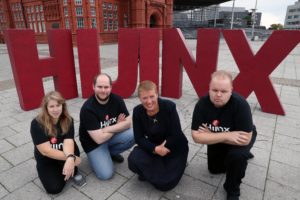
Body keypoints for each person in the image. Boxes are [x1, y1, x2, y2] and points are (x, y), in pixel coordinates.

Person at [191, 70, 257, 200]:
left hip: (240, 139)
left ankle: (232, 188)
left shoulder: (240, 104)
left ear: (231, 90)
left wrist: (212, 136)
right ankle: (236, 155)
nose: (218, 95)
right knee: (214, 170)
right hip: (227, 137)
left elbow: (245, 139)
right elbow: (196, 137)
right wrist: (226, 135)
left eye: (224, 91)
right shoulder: (202, 105)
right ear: (209, 89)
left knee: (237, 156)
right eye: (214, 90)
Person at [128, 80, 189, 191]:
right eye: (144, 98)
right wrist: (155, 149)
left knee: (166, 184)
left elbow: (176, 134)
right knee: (133, 160)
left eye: (152, 96)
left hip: (173, 148)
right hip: (155, 148)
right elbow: (139, 138)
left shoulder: (169, 106)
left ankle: (152, 172)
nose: (149, 101)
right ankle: (153, 171)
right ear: (140, 99)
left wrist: (162, 148)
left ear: (157, 94)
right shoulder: (137, 111)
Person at [79, 73, 135, 180]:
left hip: (108, 136)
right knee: (106, 175)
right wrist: (118, 126)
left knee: (136, 133)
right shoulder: (88, 108)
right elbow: (99, 139)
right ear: (93, 87)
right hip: (93, 144)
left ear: (111, 87)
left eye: (106, 87)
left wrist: (109, 128)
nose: (103, 90)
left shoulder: (117, 100)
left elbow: (128, 123)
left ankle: (108, 153)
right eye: (100, 87)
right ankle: (99, 156)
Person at [30, 91, 85, 194]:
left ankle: (67, 168)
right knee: (54, 189)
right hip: (47, 159)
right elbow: (46, 151)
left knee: (72, 167)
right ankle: (62, 170)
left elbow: (68, 142)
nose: (55, 109)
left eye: (58, 105)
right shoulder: (37, 124)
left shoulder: (68, 119)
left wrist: (70, 157)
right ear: (46, 108)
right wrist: (72, 159)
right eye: (51, 106)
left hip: (65, 152)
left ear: (63, 106)